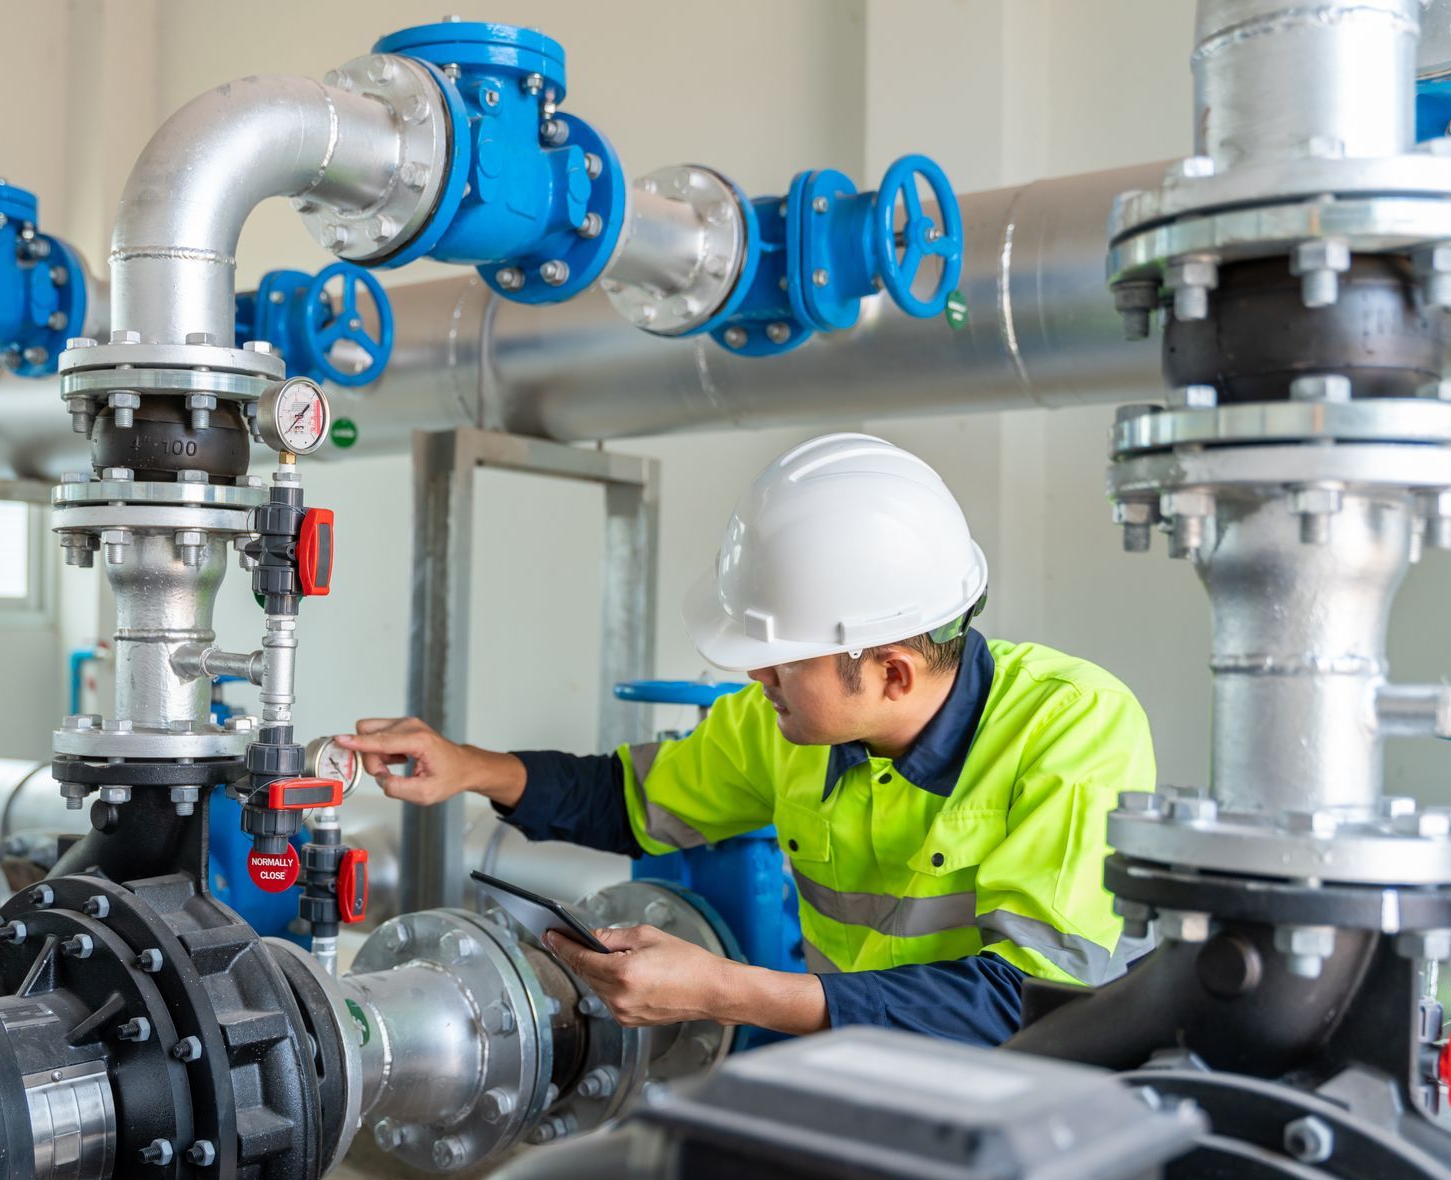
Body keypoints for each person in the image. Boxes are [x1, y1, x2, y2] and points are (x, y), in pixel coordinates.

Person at [337, 432, 1156, 1046]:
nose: (756, 680)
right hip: (868, 1070)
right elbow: (627, 800)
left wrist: (726, 989)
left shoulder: (1074, 728)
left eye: (780, 662)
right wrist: (467, 767)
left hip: (1026, 1099)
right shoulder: (788, 724)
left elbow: (1022, 1006)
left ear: (893, 675)